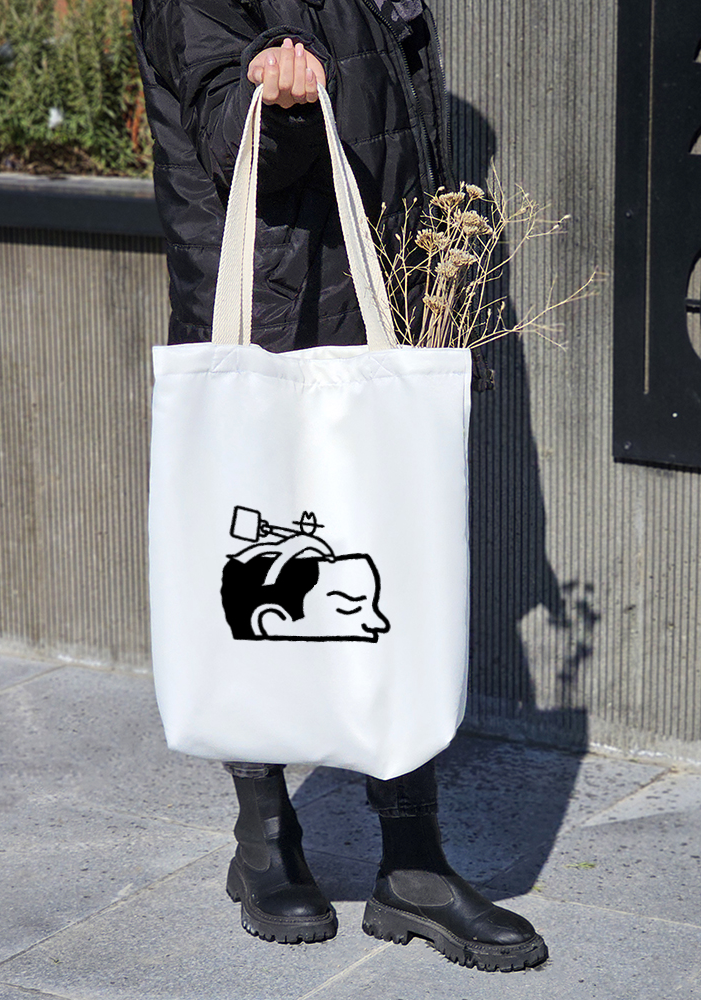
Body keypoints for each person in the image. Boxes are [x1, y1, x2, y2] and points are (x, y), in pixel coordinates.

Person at [131, 0, 547, 973]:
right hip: (269, 301)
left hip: (372, 298)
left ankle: (414, 861)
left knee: (391, 568)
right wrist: (273, 105)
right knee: (257, 577)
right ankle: (265, 837)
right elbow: (227, 134)